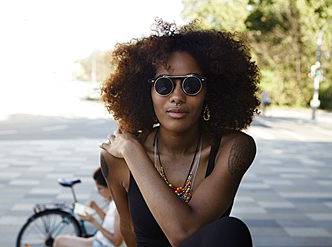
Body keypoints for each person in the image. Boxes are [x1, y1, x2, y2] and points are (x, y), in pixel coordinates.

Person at [99, 19, 260, 247]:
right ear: (148, 93)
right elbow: (127, 227)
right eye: (164, 85)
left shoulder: (234, 148)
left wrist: (133, 151)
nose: (177, 96)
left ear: (209, 92)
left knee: (230, 230)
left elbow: (182, 233)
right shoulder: (114, 159)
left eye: (191, 84)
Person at [54, 167, 126, 247]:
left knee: (60, 241)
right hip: (99, 240)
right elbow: (111, 223)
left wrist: (93, 221)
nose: (98, 191)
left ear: (110, 187)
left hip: (102, 244)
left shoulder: (119, 208)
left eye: (100, 188)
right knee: (62, 240)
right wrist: (97, 209)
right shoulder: (115, 202)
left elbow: (116, 242)